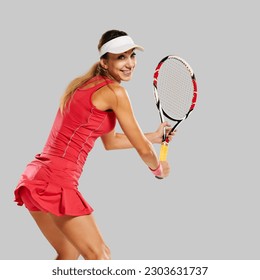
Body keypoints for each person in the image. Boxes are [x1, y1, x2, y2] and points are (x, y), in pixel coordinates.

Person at [14, 29, 174, 260]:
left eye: (132, 56)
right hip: (56, 181)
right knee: (100, 257)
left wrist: (153, 136)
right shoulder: (115, 92)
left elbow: (110, 141)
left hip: (36, 177)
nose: (129, 63)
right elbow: (142, 150)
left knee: (68, 254)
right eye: (121, 57)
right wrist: (157, 168)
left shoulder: (84, 85)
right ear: (104, 62)